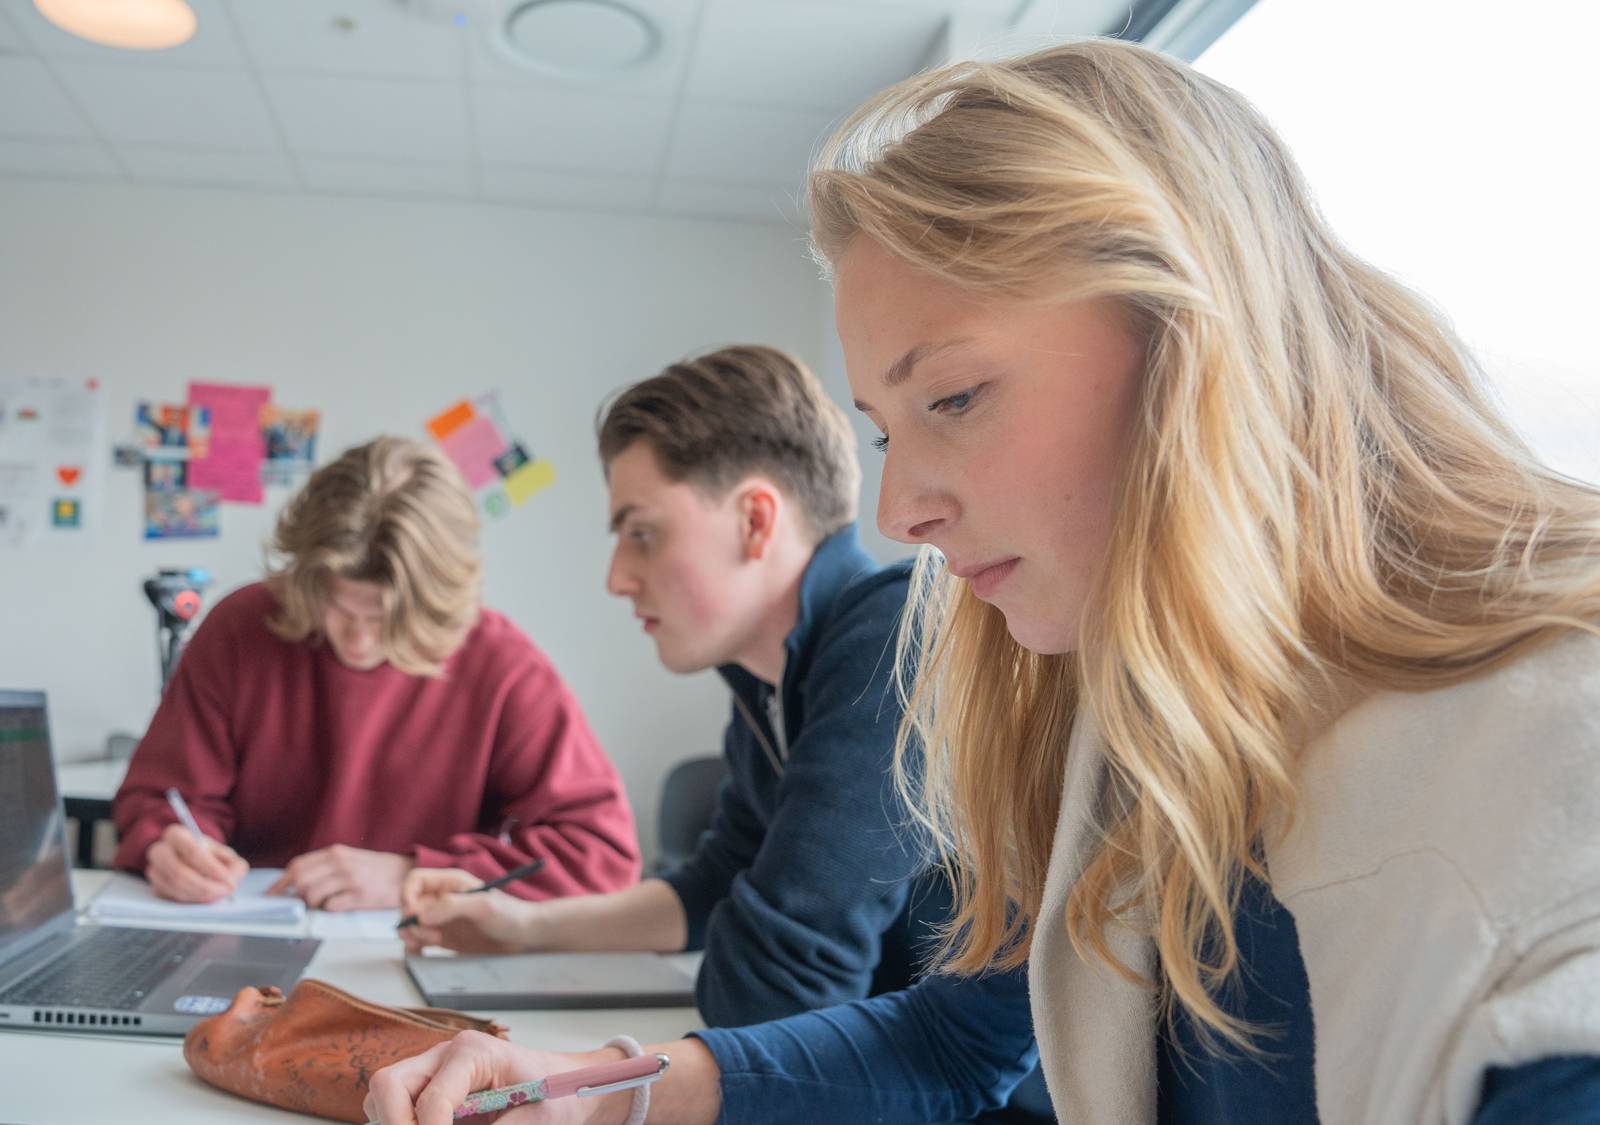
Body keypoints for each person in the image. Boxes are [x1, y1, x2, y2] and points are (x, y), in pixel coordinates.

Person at [365, 38, 1600, 1124]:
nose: (898, 509)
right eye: (891, 426)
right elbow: (957, 1035)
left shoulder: (1545, 802)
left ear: (1195, 343)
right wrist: (610, 1093)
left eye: (953, 395)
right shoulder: (1130, 713)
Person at [400, 347, 1048, 1119]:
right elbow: (711, 891)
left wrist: (602, 1080)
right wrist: (521, 929)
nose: (616, 575)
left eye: (641, 532)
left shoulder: (888, 638)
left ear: (754, 519)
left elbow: (774, 989)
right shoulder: (769, 684)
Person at [113, 436, 641, 908]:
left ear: (441, 604)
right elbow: (160, 800)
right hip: (249, 949)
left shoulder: (499, 663)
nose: (359, 641)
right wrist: (169, 844)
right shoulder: (244, 628)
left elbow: (600, 853)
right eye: (339, 608)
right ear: (306, 577)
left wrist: (415, 874)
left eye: (388, 619)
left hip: (423, 959)